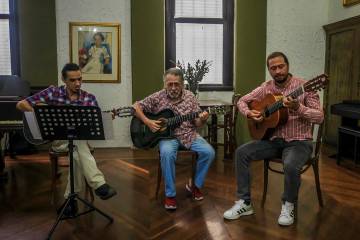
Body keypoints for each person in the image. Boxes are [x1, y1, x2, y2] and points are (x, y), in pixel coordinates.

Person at [223, 52, 324, 226]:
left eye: (281, 66)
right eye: (273, 68)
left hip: (298, 141)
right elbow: (242, 101)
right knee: (241, 153)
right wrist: (249, 113)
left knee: (291, 164)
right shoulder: (266, 87)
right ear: (269, 70)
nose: (277, 71)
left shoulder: (305, 86)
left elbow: (319, 117)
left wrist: (298, 107)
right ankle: (244, 203)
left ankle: (288, 204)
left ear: (287, 66)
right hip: (273, 141)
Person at [16, 63, 117, 215]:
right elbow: (21, 104)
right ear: (64, 80)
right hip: (58, 141)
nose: (77, 83)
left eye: (80, 79)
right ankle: (99, 184)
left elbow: (93, 127)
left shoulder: (89, 98)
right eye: (72, 80)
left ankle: (71, 202)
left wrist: (106, 119)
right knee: (77, 144)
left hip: (78, 142)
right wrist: (39, 117)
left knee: (76, 147)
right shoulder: (53, 93)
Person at [133, 67, 215, 210]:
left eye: (176, 84)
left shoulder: (190, 97)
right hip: (167, 137)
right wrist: (148, 122)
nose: (173, 87)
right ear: (165, 84)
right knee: (167, 153)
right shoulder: (158, 97)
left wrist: (202, 119)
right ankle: (170, 195)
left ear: (182, 84)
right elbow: (135, 107)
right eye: (169, 84)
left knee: (209, 152)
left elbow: (197, 123)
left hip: (189, 134)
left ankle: (194, 185)